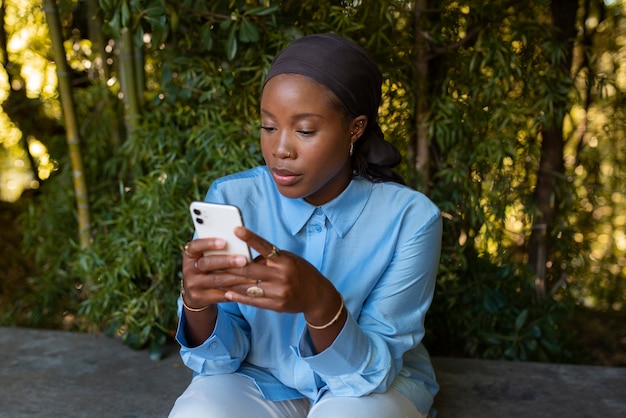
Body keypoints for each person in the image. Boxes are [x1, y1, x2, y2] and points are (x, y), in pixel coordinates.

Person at [170, 33, 442, 418]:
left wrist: (319, 302)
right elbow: (218, 362)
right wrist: (197, 303)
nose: (281, 149)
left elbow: (373, 372)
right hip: (259, 378)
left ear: (355, 127)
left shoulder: (411, 219)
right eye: (268, 127)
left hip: (371, 387)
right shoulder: (233, 199)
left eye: (305, 130)